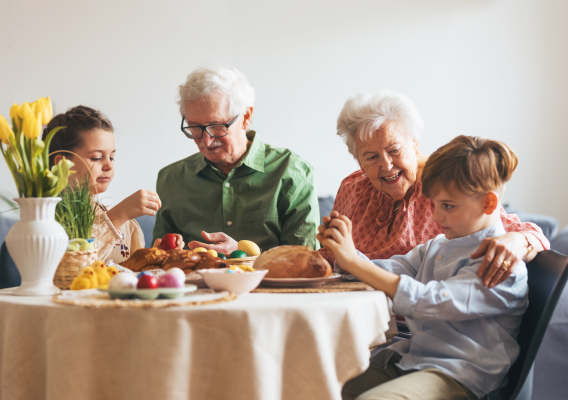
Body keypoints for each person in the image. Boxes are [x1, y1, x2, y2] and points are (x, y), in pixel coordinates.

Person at [318, 135, 529, 400]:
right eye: (435, 204)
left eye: (448, 206)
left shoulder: (502, 266)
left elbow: (431, 301)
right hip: (412, 359)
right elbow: (392, 268)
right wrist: (343, 251)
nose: (438, 216)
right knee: (315, 382)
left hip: (461, 377)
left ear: (488, 203)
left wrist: (353, 262)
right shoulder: (437, 246)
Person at [320, 90, 548, 288]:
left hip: (415, 320)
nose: (386, 165)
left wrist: (517, 242)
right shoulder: (353, 189)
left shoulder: (446, 188)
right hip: (351, 309)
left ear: (415, 144)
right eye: (371, 156)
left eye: (394, 150)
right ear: (359, 161)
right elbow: (332, 259)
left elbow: (529, 233)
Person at [152, 66, 320, 254]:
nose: (206, 141)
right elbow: (160, 259)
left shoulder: (293, 171)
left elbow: (304, 260)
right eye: (194, 127)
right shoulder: (171, 178)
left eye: (216, 126)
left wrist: (244, 256)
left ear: (246, 117)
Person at [43, 105, 169, 263]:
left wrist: (158, 257)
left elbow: (132, 274)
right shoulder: (45, 223)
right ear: (62, 164)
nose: (109, 166)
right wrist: (119, 214)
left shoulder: (127, 225)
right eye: (96, 157)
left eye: (111, 157)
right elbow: (71, 271)